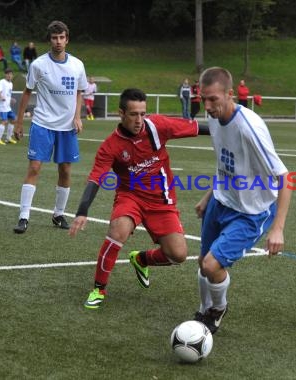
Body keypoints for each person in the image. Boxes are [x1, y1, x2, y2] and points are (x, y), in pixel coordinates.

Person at [70, 88, 209, 309]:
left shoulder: (158, 126)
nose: (139, 120)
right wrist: (82, 211)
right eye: (134, 114)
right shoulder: (110, 146)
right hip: (130, 196)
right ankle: (99, 288)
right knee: (118, 231)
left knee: (178, 255)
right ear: (121, 114)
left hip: (161, 199)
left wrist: (229, 131)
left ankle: (141, 259)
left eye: (143, 113)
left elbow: (197, 128)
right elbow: (96, 178)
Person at [193, 67, 292, 334]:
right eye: (204, 98)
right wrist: (208, 197)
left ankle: (218, 308)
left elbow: (285, 178)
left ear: (230, 94)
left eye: (214, 98)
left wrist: (278, 228)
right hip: (221, 200)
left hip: (251, 211)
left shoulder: (249, 128)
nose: (208, 105)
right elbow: (226, 164)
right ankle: (203, 312)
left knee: (213, 265)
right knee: (203, 261)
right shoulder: (213, 118)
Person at [12, 20, 88, 234]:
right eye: (54, 38)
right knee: (34, 167)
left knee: (65, 170)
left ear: (67, 39)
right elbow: (27, 92)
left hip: (67, 127)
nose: (58, 42)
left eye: (62, 37)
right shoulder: (38, 65)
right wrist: (19, 122)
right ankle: (24, 216)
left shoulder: (77, 65)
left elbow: (80, 92)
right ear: (49, 40)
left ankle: (58, 214)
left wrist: (78, 116)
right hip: (42, 123)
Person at [0, 68, 17, 145]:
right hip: (1, 106)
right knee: (5, 121)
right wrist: (1, 97)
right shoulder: (2, 82)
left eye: (10, 74)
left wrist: (11, 99)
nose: (9, 75)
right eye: (8, 74)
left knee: (13, 119)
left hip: (7, 106)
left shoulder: (11, 84)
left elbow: (7, 94)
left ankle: (8, 138)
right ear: (5, 75)